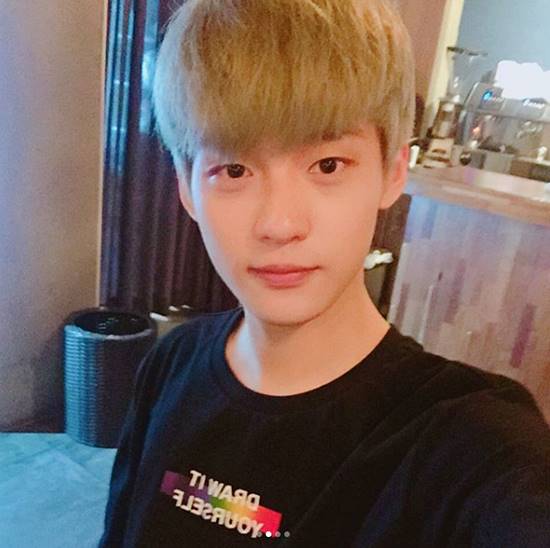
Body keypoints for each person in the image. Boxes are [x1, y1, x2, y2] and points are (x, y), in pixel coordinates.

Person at [99, 1, 550, 546]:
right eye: (234, 170)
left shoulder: (470, 443)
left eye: (327, 165)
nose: (279, 224)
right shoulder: (169, 365)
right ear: (187, 187)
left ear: (393, 171)